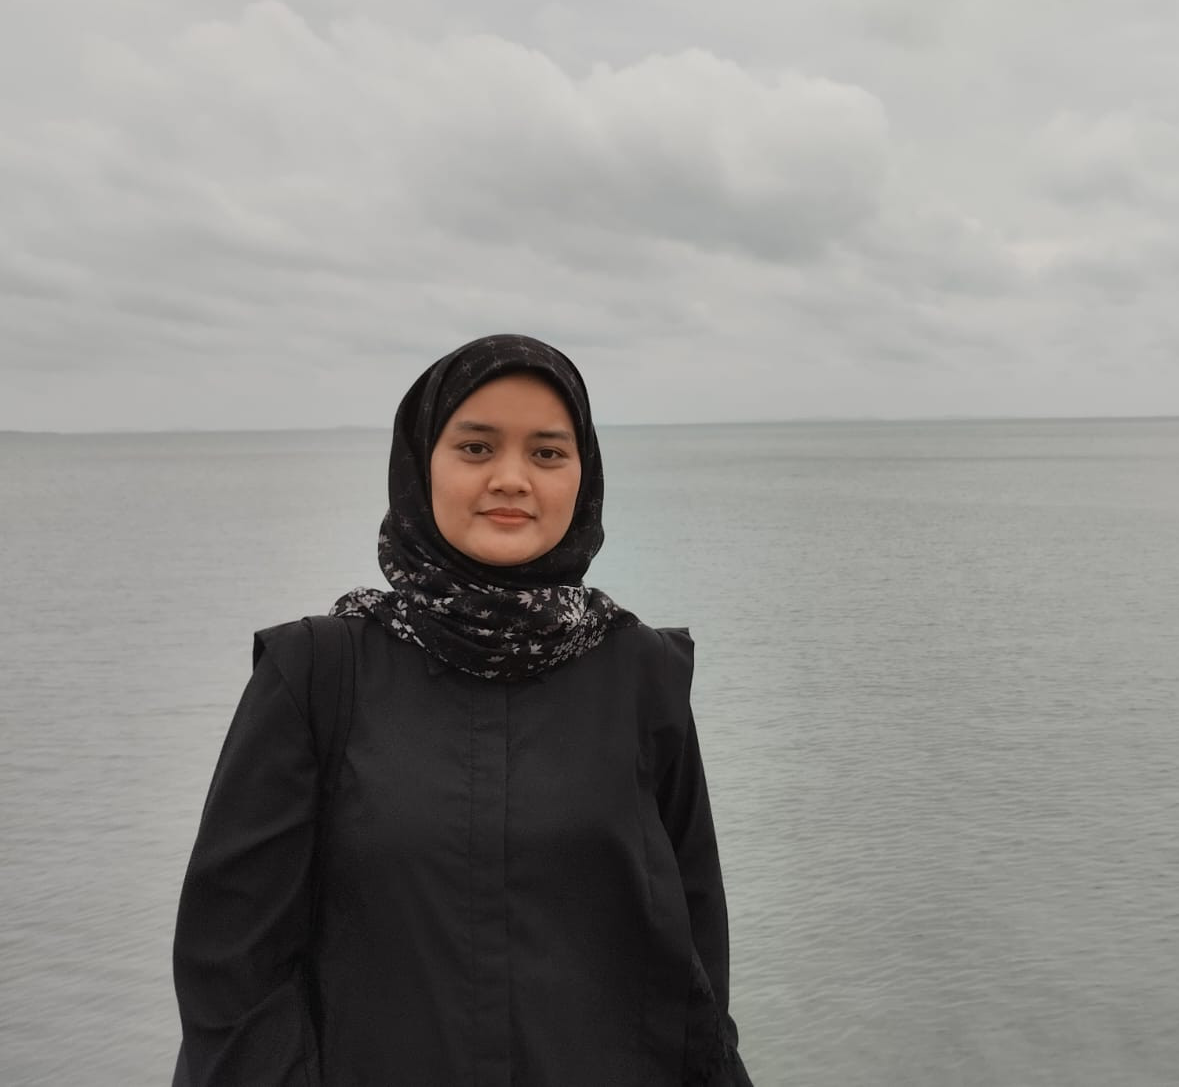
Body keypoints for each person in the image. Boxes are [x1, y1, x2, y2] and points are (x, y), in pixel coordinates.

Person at [173, 334, 752, 1086]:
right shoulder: (317, 671)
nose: (512, 478)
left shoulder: (642, 672)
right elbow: (231, 968)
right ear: (422, 465)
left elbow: (696, 956)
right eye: (476, 448)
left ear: (584, 473)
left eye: (547, 453)